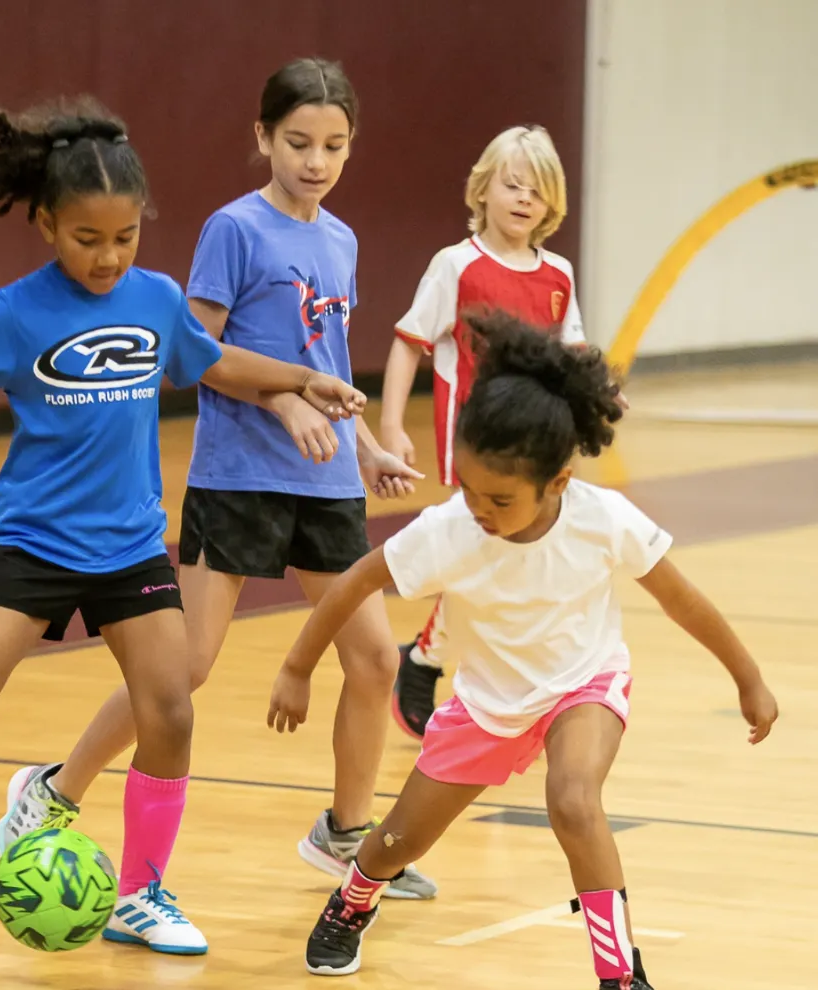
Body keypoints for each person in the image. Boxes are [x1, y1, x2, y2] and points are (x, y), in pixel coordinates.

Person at [0, 87, 367, 955]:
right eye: (87, 239)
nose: (109, 258)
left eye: (126, 237)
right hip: (34, 541)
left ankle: (143, 893)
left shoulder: (152, 297)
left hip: (131, 546)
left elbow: (211, 360)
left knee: (171, 711)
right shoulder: (14, 313)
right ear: (45, 226)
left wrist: (297, 380)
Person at [0, 57, 436, 901]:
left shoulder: (340, 240)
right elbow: (194, 355)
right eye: (298, 141)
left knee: (376, 657)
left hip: (324, 477)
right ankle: (52, 792)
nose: (315, 160)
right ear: (263, 137)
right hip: (239, 475)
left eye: (334, 145)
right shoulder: (234, 230)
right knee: (185, 666)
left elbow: (324, 360)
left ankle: (346, 832)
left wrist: (363, 445)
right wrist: (283, 405)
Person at [268, 313, 779, 987]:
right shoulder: (450, 529)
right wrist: (298, 667)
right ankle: (354, 898)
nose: (479, 508)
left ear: (558, 483)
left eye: (500, 498)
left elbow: (681, 599)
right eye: (470, 488)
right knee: (398, 841)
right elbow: (358, 579)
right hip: (487, 705)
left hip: (583, 684)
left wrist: (748, 678)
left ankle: (620, 973)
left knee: (573, 801)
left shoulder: (604, 520)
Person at [380, 125, 593, 738]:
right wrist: (392, 424)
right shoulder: (456, 266)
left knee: (515, 557)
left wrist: (599, 397)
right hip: (474, 442)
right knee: (487, 554)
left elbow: (573, 352)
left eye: (538, 189)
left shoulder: (559, 275)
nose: (524, 198)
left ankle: (433, 659)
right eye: (512, 184)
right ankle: (427, 662)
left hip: (535, 444)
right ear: (484, 189)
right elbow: (409, 343)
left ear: (553, 203)